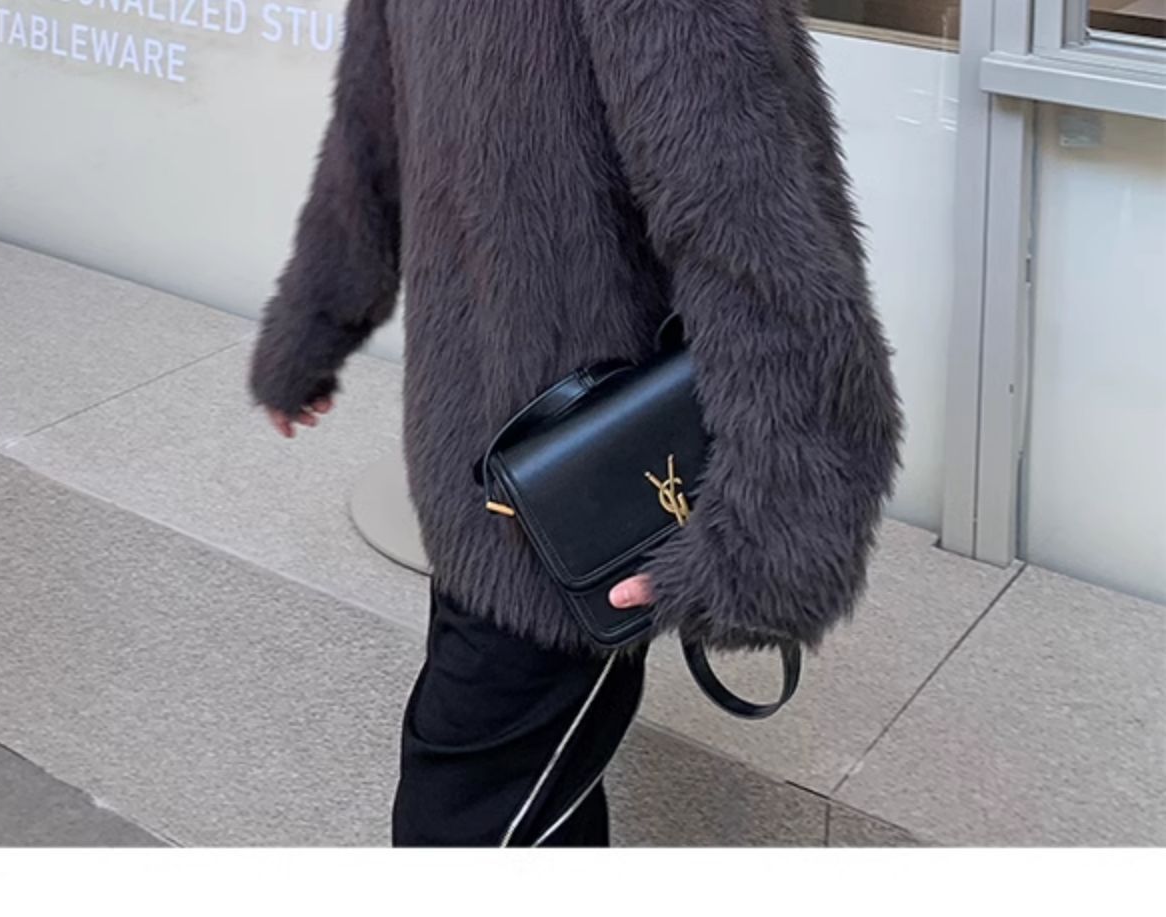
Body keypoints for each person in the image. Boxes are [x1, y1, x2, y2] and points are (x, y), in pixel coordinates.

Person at [247, 0, 903, 847]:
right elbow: (369, 137)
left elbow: (751, 222)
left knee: (466, 814)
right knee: (506, 800)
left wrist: (772, 531)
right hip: (479, 469)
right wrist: (313, 323)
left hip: (585, 494)